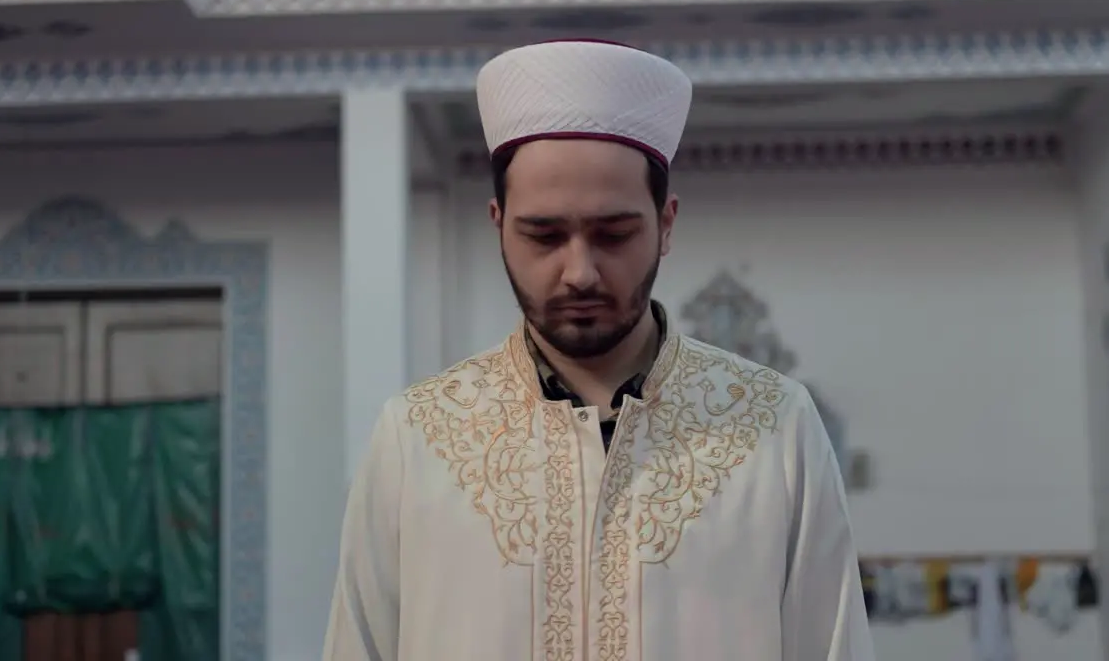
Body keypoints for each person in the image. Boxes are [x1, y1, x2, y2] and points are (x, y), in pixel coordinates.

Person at [322, 39, 875, 661]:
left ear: (665, 224)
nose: (579, 271)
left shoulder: (773, 425)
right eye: (544, 235)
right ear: (498, 223)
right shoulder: (417, 434)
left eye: (613, 234)